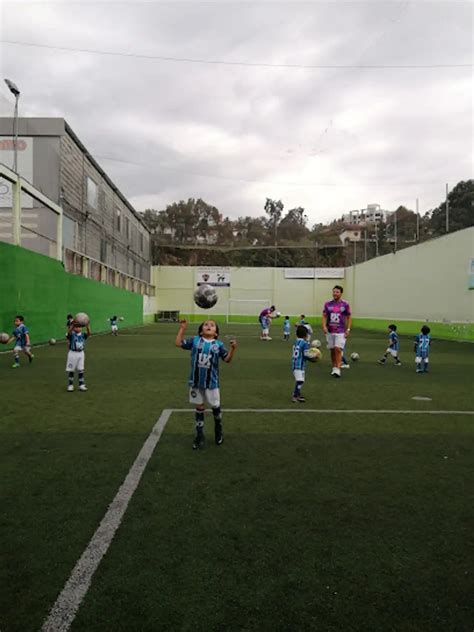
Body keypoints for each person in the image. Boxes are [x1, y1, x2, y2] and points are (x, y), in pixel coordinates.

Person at [176, 319, 237, 450]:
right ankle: (199, 435)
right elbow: (178, 343)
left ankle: (218, 429)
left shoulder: (218, 345)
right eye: (206, 324)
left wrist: (233, 349)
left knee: (215, 407)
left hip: (212, 383)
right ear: (200, 331)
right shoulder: (195, 341)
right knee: (199, 407)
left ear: (216, 333)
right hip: (196, 381)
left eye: (212, 325)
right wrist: (182, 329)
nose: (209, 326)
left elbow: (227, 359)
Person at [322, 285, 352, 378]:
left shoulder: (345, 304)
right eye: (334, 291)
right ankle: (334, 367)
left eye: (337, 292)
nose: (335, 293)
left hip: (341, 331)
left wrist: (348, 329)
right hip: (330, 330)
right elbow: (324, 315)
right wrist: (324, 327)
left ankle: (338, 369)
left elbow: (349, 317)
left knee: (337, 349)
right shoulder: (328, 304)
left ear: (341, 293)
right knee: (332, 350)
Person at [66, 319, 92, 391]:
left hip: (81, 353)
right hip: (72, 353)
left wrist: (87, 326)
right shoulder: (72, 335)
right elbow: (68, 334)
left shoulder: (83, 335)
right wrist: (72, 326)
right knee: (71, 370)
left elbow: (89, 334)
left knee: (81, 369)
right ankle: (70, 385)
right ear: (74, 328)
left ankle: (81, 385)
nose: (78, 328)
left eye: (79, 327)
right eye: (76, 327)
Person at [291, 325, 311, 402]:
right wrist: (314, 356)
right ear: (306, 335)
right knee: (300, 381)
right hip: (299, 365)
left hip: (294, 364)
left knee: (300, 380)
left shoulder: (296, 342)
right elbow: (306, 354)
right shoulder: (304, 343)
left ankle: (297, 394)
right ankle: (295, 396)